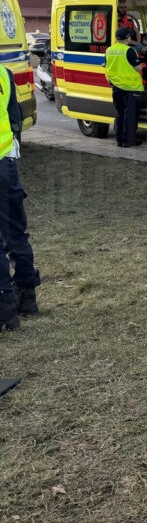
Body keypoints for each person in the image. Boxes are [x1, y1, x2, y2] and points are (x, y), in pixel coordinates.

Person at [0, 67, 41, 331]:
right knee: (16, 231)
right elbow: (14, 117)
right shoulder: (3, 73)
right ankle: (26, 296)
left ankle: (5, 312)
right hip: (5, 163)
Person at [106, 26, 145, 147]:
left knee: (120, 114)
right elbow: (138, 67)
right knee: (131, 116)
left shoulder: (109, 50)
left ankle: (120, 140)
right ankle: (129, 141)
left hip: (116, 87)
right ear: (128, 38)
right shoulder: (129, 51)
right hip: (130, 88)